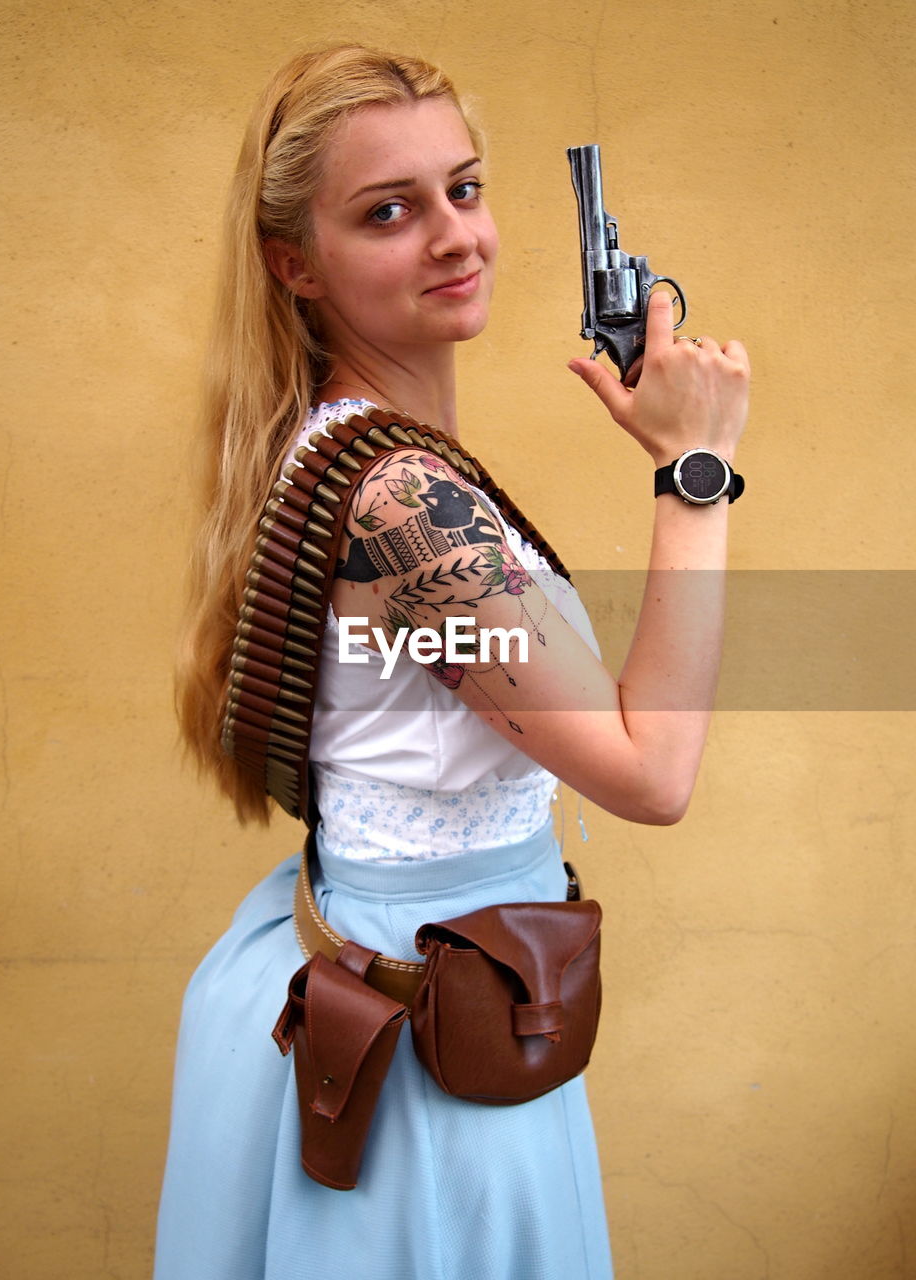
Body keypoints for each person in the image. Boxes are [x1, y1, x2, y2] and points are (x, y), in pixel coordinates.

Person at [156, 42, 749, 1280]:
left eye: (464, 189)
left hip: (387, 971)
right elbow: (652, 773)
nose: (453, 236)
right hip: (432, 1033)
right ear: (294, 263)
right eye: (389, 211)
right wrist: (696, 470)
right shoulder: (400, 500)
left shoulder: (339, 446)